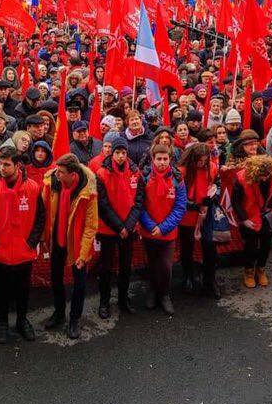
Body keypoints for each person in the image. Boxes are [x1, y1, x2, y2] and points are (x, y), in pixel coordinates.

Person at [0, 147, 44, 343]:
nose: (2, 168)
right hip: (0, 251)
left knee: (23, 289)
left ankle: (22, 320)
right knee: (0, 290)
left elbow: (40, 217)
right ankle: (2, 322)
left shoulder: (33, 187)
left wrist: (31, 242)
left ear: (18, 166)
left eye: (6, 164)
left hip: (24, 251)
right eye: (1, 164)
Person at [41, 154, 99, 340]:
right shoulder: (52, 182)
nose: (57, 174)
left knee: (79, 284)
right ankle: (59, 314)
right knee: (56, 279)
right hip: (57, 240)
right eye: (57, 170)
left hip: (77, 242)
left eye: (61, 172)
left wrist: (82, 255)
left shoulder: (88, 191)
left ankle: (74, 319)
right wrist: (44, 238)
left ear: (73, 174)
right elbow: (44, 210)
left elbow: (91, 226)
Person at [95, 132, 144, 318]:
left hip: (128, 228)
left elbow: (139, 200)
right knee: (105, 268)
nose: (121, 155)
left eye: (124, 152)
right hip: (109, 229)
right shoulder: (101, 173)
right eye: (118, 152)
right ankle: (104, 302)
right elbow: (103, 204)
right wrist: (119, 227)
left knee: (125, 267)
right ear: (112, 153)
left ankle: (123, 299)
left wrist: (128, 225)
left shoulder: (135, 171)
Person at [138, 144, 186, 315]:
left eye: (165, 159)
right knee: (151, 263)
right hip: (149, 231)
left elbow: (180, 207)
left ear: (170, 159)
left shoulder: (177, 178)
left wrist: (163, 227)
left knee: (166, 266)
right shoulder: (143, 177)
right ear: (153, 159)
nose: (162, 162)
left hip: (168, 233)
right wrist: (152, 226)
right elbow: (140, 205)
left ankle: (164, 294)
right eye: (159, 159)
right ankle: (152, 290)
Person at [231, 154, 272, 289]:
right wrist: (244, 219)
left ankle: (261, 269)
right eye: (261, 177)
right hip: (249, 215)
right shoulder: (241, 178)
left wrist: (271, 207)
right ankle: (248, 271)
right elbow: (235, 201)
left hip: (267, 213)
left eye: (267, 176)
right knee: (251, 246)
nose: (264, 179)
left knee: (266, 244)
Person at [178, 142, 220, 297]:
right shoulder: (181, 171)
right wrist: (194, 205)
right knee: (187, 247)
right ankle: (187, 276)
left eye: (204, 160)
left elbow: (218, 184)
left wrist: (214, 196)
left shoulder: (212, 167)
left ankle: (210, 279)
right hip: (187, 214)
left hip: (206, 212)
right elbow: (178, 196)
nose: (202, 164)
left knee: (210, 246)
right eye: (199, 161)